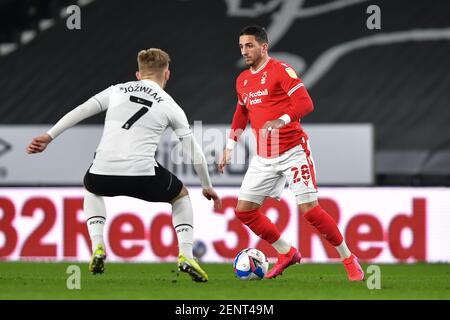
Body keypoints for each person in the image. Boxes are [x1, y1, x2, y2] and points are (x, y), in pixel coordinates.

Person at [27, 48, 221, 283]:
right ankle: (186, 256)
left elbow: (81, 111)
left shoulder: (116, 90)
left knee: (91, 187)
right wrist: (207, 185)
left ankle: (98, 246)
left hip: (103, 173)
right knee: (180, 195)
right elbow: (194, 151)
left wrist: (49, 136)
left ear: (138, 74)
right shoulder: (170, 105)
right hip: (143, 176)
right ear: (167, 74)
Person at [218, 26, 364, 281]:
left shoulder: (280, 70)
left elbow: (306, 103)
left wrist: (281, 120)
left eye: (249, 45)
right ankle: (287, 253)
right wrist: (229, 147)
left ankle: (349, 258)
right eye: (241, 46)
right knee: (244, 212)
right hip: (264, 157)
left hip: (293, 150)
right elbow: (241, 113)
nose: (245, 51)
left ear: (264, 46)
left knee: (310, 210)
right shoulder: (242, 80)